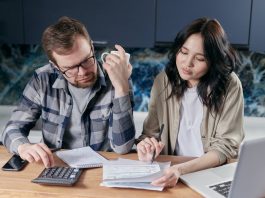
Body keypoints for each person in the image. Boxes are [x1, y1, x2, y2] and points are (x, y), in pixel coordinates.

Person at [1, 16, 135, 168]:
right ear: (56, 66)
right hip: (55, 167)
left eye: (86, 60)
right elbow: (12, 129)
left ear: (91, 47)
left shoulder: (118, 78)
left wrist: (122, 87)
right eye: (71, 68)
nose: (83, 72)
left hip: (101, 170)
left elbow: (123, 147)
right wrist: (23, 147)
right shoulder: (42, 79)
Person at [136, 17, 244, 188]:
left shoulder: (230, 85)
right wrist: (146, 147)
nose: (187, 63)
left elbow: (225, 147)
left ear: (213, 61)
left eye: (200, 59)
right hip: (172, 173)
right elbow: (151, 133)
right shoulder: (163, 81)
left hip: (210, 174)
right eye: (184, 52)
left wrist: (181, 169)